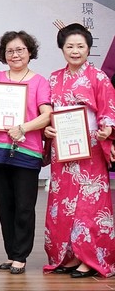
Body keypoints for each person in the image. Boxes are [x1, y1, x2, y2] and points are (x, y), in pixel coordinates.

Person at [0, 30, 52, 275]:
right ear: (3, 54)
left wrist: (23, 128)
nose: (15, 55)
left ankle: (21, 255)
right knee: (4, 203)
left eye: (20, 50)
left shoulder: (39, 81)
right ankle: (11, 253)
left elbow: (47, 114)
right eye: (10, 51)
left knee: (25, 206)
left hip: (27, 150)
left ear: (30, 53)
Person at [43, 23, 115, 278]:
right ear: (61, 48)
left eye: (80, 46)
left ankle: (90, 259)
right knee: (62, 205)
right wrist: (47, 130)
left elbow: (108, 110)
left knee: (89, 205)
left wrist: (107, 129)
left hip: (91, 148)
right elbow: (46, 113)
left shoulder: (99, 78)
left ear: (89, 49)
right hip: (63, 149)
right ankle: (69, 256)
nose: (75, 51)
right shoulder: (53, 78)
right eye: (69, 46)